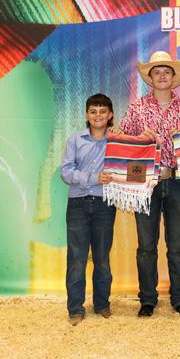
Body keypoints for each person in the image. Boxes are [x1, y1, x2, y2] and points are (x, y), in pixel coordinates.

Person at [119, 51, 180, 318]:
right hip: (145, 183)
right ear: (150, 77)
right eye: (157, 72)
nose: (162, 76)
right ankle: (147, 299)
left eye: (166, 71)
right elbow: (122, 142)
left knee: (177, 246)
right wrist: (139, 138)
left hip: (176, 180)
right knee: (146, 246)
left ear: (173, 77)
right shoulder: (137, 108)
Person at [60, 93, 117, 326]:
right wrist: (93, 178)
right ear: (86, 115)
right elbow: (66, 172)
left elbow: (133, 159)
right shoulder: (75, 140)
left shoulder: (117, 141)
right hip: (78, 205)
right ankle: (75, 308)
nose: (98, 115)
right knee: (77, 258)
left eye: (103, 111)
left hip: (105, 204)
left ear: (110, 115)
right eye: (93, 111)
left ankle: (102, 304)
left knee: (102, 257)